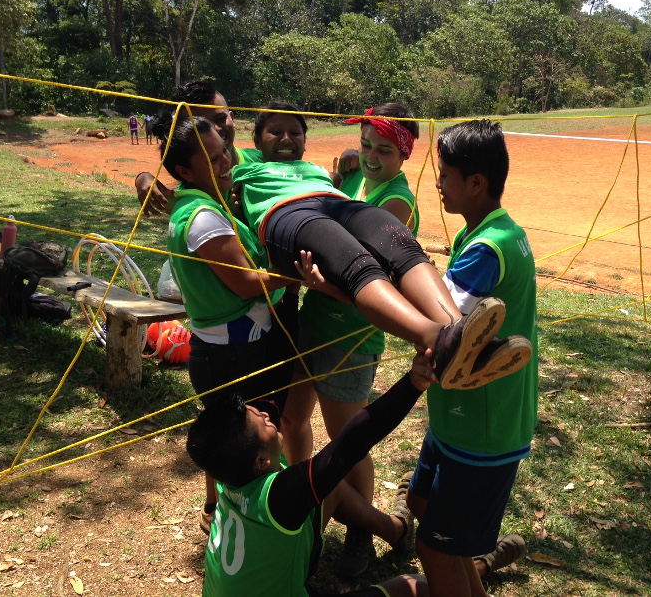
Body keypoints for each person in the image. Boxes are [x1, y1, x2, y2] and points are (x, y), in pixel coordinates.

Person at [230, 103, 532, 389]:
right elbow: (210, 147)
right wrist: (223, 119)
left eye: (295, 133)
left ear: (306, 140)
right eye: (275, 132)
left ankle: (463, 337)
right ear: (255, 139)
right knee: (358, 262)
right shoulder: (246, 160)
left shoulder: (316, 170)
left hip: (331, 203)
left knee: (403, 246)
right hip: (285, 213)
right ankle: (438, 338)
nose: (286, 138)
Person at [281, 103, 421, 579]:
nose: (370, 157)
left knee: (349, 441)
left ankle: (367, 527)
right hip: (313, 320)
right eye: (365, 145)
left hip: (351, 335)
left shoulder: (396, 203)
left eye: (383, 149)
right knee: (291, 418)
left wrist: (323, 284)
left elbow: (373, 278)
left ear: (403, 155)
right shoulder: (356, 181)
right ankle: (303, 503)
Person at [402, 120, 539, 597]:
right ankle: (473, 574)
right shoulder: (497, 231)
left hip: (481, 429)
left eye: (445, 173)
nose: (436, 182)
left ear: (475, 183)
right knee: (421, 504)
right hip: (460, 421)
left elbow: (436, 326)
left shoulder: (485, 249)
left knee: (435, 548)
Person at [186, 353, 439, 597]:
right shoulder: (279, 498)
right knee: (417, 587)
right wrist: (413, 383)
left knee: (331, 487)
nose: (266, 414)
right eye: (263, 422)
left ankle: (397, 530)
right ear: (261, 461)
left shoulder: (227, 477)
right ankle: (471, 566)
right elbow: (352, 443)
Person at [160, 112, 297, 534]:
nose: (227, 165)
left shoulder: (200, 200)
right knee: (250, 451)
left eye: (225, 152)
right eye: (215, 159)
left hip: (230, 349)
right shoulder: (201, 216)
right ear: (184, 171)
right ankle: (258, 532)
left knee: (239, 451)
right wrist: (297, 276)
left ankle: (235, 523)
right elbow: (243, 284)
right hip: (231, 355)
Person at [135, 80, 262, 217]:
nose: (214, 130)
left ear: (232, 118)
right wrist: (142, 178)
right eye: (200, 126)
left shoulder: (265, 160)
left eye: (220, 119)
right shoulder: (190, 197)